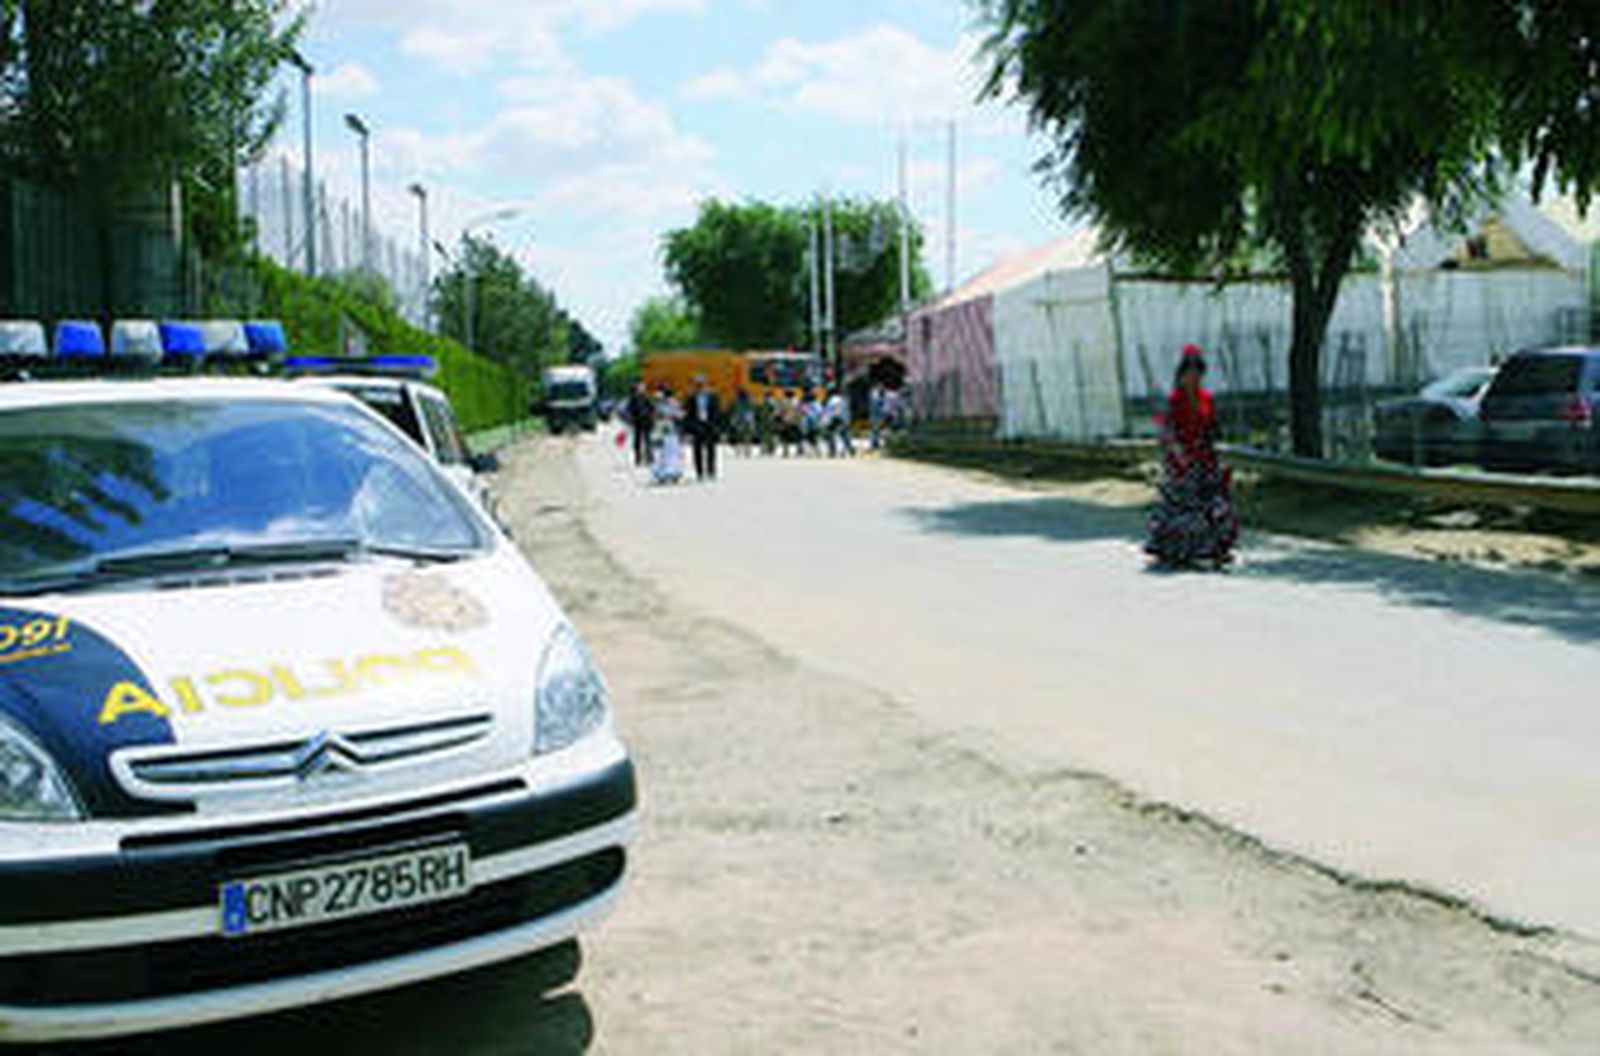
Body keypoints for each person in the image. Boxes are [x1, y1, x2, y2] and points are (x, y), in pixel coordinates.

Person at [1145, 345, 1238, 568]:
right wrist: (1179, 456)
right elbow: (1168, 431)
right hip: (1181, 463)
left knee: (1217, 503)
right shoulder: (1175, 401)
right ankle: (1178, 549)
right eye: (1190, 373)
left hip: (1206, 459)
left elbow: (1213, 427)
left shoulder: (1206, 399)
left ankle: (1218, 548)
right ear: (1182, 375)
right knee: (1186, 508)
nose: (1194, 378)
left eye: (1198, 373)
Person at [683, 374, 724, 481]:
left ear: (706, 383)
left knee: (711, 449)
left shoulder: (713, 396)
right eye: (698, 384)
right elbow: (688, 415)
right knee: (697, 450)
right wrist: (688, 430)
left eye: (701, 383)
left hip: (709, 425)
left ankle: (711, 471)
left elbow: (718, 413)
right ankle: (699, 472)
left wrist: (718, 427)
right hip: (697, 426)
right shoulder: (691, 397)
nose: (700, 386)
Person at [651, 386, 684, 484]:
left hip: (669, 430)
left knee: (670, 452)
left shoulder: (671, 404)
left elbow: (680, 415)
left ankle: (670, 472)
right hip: (664, 430)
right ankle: (665, 472)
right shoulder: (661, 404)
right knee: (666, 453)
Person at [624, 382, 655, 468]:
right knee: (637, 441)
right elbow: (628, 409)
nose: (642, 390)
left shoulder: (647, 398)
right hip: (637, 422)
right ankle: (638, 457)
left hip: (647, 421)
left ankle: (649, 457)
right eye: (640, 388)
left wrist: (651, 416)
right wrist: (630, 418)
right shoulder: (633, 399)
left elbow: (652, 408)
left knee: (648, 440)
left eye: (643, 388)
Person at [824, 388, 854, 458]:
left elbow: (830, 410)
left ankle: (833, 452)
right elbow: (847, 410)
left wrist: (826, 418)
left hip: (835, 420)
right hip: (844, 419)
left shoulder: (833, 400)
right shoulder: (843, 400)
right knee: (844, 435)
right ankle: (850, 450)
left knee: (831, 435)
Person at [730, 387, 756, 458]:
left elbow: (736, 412)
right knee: (746, 436)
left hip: (741, 421)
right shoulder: (749, 402)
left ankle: (739, 450)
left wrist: (734, 420)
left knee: (739, 436)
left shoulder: (738, 402)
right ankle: (747, 451)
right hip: (746, 420)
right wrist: (751, 423)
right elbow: (751, 412)